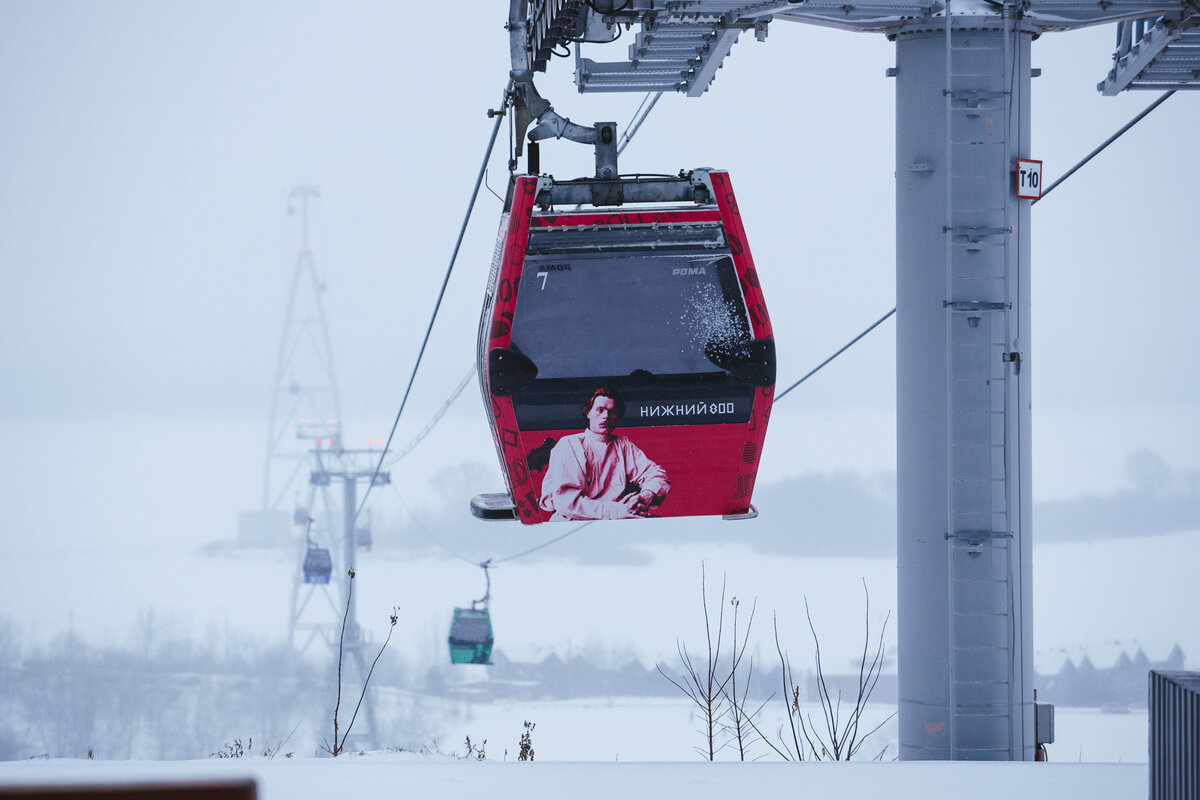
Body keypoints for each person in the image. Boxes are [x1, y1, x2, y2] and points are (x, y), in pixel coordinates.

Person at [538, 387, 670, 520]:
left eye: (612, 411)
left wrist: (646, 495)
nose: (606, 416)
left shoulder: (623, 444)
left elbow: (656, 474)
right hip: (574, 522)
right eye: (600, 410)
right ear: (588, 412)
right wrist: (617, 510)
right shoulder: (570, 444)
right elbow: (568, 503)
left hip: (618, 519)